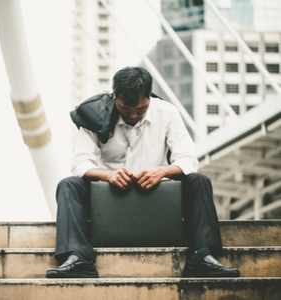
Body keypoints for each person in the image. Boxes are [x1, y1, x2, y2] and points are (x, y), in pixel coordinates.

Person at [46, 66, 240, 278]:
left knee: (198, 181)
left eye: (140, 109)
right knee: (68, 184)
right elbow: (80, 163)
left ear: (149, 97)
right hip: (108, 197)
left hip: (155, 194)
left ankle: (202, 256)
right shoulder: (93, 115)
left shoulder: (167, 112)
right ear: (115, 96)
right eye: (125, 109)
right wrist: (107, 175)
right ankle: (77, 258)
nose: (132, 115)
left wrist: (163, 171)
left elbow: (188, 160)